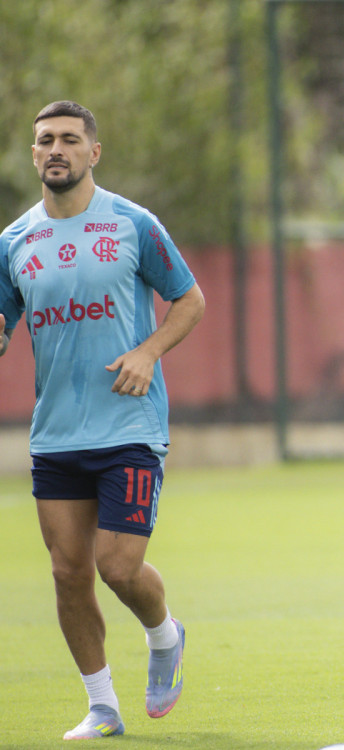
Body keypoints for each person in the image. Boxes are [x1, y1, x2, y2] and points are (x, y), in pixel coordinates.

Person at [0, 101, 204, 740]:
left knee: (117, 566)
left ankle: (164, 635)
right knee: (67, 574)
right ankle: (103, 706)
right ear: (33, 155)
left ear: (93, 152)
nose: (55, 149)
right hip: (56, 432)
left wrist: (147, 352)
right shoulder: (13, 242)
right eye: (44, 141)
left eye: (68, 139)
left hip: (129, 428)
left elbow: (189, 300)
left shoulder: (133, 223)